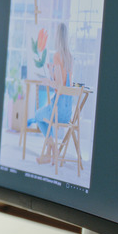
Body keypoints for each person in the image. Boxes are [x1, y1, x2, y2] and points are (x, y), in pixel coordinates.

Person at [28, 23, 74, 165]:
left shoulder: (57, 56)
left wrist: (48, 81)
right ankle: (49, 153)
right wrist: (52, 70)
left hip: (57, 110)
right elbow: (67, 84)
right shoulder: (70, 57)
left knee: (37, 115)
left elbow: (59, 86)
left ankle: (53, 147)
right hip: (67, 113)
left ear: (57, 37)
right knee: (43, 115)